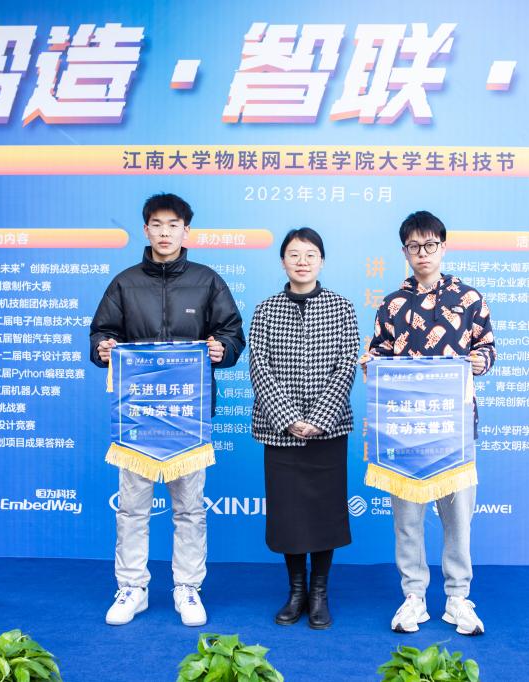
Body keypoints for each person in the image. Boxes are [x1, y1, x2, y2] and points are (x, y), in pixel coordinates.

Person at [90, 193, 246, 627]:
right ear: (146, 230)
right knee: (132, 508)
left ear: (185, 230)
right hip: (137, 415)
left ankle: (187, 587)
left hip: (187, 413)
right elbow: (101, 333)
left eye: (173, 225)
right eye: (156, 224)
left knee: (190, 508)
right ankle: (132, 588)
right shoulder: (124, 283)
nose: (164, 232)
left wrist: (223, 348)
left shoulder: (207, 281)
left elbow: (232, 333)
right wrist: (103, 348)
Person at [363, 211, 495, 636]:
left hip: (454, 429)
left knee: (458, 521)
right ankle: (414, 596)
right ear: (404, 251)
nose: (423, 253)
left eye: (430, 244)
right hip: (405, 431)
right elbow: (379, 353)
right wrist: (371, 364)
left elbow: (487, 347)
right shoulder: (392, 304)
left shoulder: (469, 299)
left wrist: (481, 361)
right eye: (414, 246)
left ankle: (458, 598)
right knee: (407, 521)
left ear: (443, 246)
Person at [248, 227, 359, 630]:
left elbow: (347, 365)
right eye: (294, 254)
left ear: (321, 261)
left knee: (324, 514)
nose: (302, 261)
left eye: (311, 254)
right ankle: (296, 591)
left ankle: (320, 592)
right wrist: (289, 418)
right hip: (280, 431)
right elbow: (258, 367)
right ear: (283, 261)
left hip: (328, 431)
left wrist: (318, 419)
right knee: (289, 515)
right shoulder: (265, 310)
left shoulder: (342, 307)